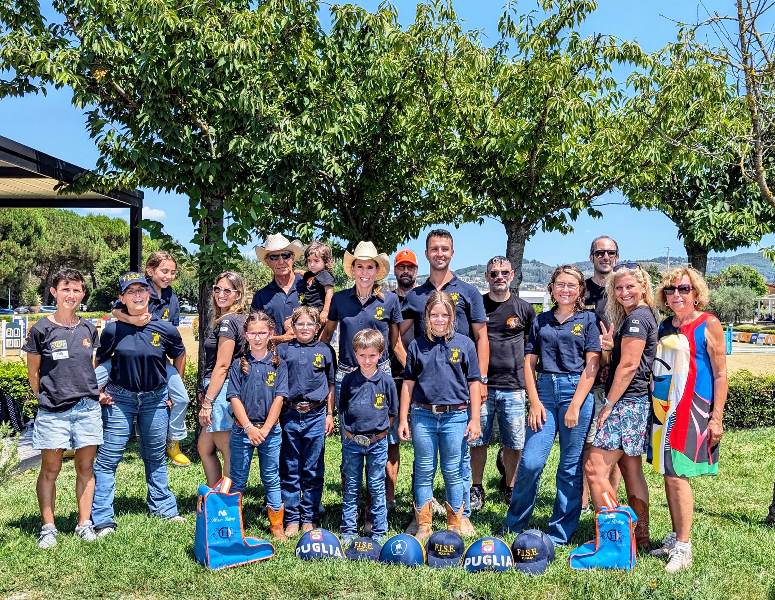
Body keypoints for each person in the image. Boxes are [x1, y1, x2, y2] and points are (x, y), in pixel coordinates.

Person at [503, 265, 601, 546]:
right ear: (552, 288)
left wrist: (575, 406)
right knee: (532, 462)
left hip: (576, 393)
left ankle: (559, 533)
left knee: (569, 467)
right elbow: (528, 363)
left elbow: (592, 365)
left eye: (571, 285)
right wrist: (533, 402)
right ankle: (515, 523)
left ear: (580, 289)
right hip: (544, 392)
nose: (565, 289)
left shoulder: (589, 320)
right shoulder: (541, 320)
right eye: (560, 284)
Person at [400, 229, 489, 534]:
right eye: (434, 248)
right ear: (427, 253)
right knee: (423, 466)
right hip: (425, 401)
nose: (440, 253)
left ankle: (459, 515)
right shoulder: (415, 295)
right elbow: (398, 336)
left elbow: (481, 337)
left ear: (452, 252)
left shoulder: (468, 292)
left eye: (445, 248)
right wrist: (418, 365)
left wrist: (483, 380)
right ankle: (421, 518)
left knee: (457, 465)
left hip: (461, 389)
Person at [92, 272, 186, 536]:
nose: (137, 295)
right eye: (130, 292)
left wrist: (170, 388)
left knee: (155, 457)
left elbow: (179, 355)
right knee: (108, 459)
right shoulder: (113, 329)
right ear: (122, 298)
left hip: (155, 401)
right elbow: (99, 362)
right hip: (120, 400)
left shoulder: (165, 328)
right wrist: (98, 391)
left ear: (149, 295)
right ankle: (102, 519)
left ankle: (165, 510)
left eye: (141, 291)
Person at [647, 267, 727, 573]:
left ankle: (684, 546)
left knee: (679, 474)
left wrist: (716, 417)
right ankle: (675, 536)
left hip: (694, 410)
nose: (676, 295)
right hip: (664, 409)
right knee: (669, 473)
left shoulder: (709, 324)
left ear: (696, 293)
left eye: (683, 289)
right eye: (670, 290)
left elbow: (720, 374)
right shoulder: (665, 326)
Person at [24, 268, 103, 548]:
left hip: (87, 409)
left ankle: (84, 523)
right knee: (50, 469)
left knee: (86, 467)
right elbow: (34, 374)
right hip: (53, 411)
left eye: (77, 290)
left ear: (83, 294)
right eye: (66, 289)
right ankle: (48, 527)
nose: (71, 295)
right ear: (54, 292)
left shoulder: (88, 327)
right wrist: (48, 398)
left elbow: (88, 366)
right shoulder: (40, 329)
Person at [583, 262, 657, 549]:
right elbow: (625, 358)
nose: (624, 292)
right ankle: (640, 536)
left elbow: (628, 366)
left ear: (643, 287)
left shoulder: (637, 318)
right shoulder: (643, 315)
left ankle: (616, 538)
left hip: (625, 403)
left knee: (594, 468)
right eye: (619, 287)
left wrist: (609, 404)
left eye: (630, 286)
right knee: (631, 469)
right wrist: (610, 349)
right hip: (637, 402)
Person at [101, 251, 191, 467]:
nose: (168, 276)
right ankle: (80, 442)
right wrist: (133, 319)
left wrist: (173, 380)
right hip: (125, 355)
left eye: (172, 272)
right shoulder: (139, 290)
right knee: (90, 386)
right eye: (164, 271)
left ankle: (173, 442)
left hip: (157, 360)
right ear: (150, 271)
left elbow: (174, 338)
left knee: (182, 398)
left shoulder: (172, 297)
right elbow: (115, 311)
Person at [470, 256, 534, 510]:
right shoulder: (478, 306)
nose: (499, 277)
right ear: (487, 276)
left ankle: (510, 486)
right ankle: (476, 487)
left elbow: (531, 349)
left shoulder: (524, 309)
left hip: (514, 386)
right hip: (482, 385)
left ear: (513, 274)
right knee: (477, 440)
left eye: (504, 272)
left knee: (514, 442)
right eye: (494, 273)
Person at [226, 311, 288, 540]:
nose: (258, 337)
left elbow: (280, 399)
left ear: (271, 334)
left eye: (263, 333)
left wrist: (265, 429)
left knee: (271, 476)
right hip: (242, 431)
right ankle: (234, 523)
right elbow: (234, 398)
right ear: (246, 335)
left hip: (270, 432)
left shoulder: (279, 364)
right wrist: (249, 428)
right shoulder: (237, 365)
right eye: (253, 333)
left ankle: (276, 526)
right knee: (238, 478)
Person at [277, 306, 336, 536]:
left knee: (313, 467)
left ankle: (309, 516)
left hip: (315, 414)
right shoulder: (283, 351)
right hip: (290, 414)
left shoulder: (325, 350)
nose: (304, 328)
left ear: (317, 326)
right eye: (299, 324)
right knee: (290, 465)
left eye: (309, 324)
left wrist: (330, 414)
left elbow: (331, 384)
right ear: (292, 326)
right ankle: (292, 517)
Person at [320, 241, 405, 399]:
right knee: (348, 423)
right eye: (359, 266)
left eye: (369, 267)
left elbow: (396, 343)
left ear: (377, 270)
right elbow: (326, 336)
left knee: (384, 422)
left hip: (380, 371)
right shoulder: (339, 299)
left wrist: (416, 375)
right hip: (347, 373)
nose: (364, 272)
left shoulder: (390, 300)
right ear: (352, 269)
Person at [339, 329, 398, 545]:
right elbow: (342, 408)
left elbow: (392, 412)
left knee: (376, 485)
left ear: (381, 354)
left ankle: (379, 531)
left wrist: (381, 434)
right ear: (355, 354)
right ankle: (348, 531)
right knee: (351, 485)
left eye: (372, 355)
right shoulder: (348, 381)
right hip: (352, 442)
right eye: (362, 355)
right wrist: (348, 434)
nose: (367, 360)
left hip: (377, 443)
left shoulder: (386, 382)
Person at [582, 236, 622, 508]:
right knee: (586, 445)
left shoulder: (623, 289)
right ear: (591, 256)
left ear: (616, 256)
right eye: (600, 252)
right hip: (586, 379)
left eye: (610, 252)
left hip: (617, 380)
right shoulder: (580, 290)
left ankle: (611, 501)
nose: (605, 257)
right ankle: (584, 502)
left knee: (614, 447)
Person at [198, 271, 249, 486]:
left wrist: (208, 402)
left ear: (238, 295)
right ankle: (213, 493)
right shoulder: (237, 319)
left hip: (221, 389)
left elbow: (222, 366)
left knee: (226, 450)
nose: (220, 294)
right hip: (221, 388)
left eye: (227, 290)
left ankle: (226, 502)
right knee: (204, 447)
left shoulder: (228, 322)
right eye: (217, 289)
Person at [386, 248, 419, 511]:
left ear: (416, 271)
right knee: (390, 441)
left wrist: (419, 372)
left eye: (410, 267)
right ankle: (389, 497)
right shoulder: (385, 299)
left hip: (419, 379)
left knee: (423, 442)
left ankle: (420, 498)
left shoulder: (423, 298)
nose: (405, 271)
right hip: (390, 376)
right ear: (394, 270)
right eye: (401, 267)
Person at [251, 233, 305, 343]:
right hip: (275, 357)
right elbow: (255, 334)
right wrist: (282, 339)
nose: (281, 261)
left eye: (285, 255)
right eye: (274, 257)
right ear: (267, 262)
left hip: (307, 356)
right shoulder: (260, 296)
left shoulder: (310, 286)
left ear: (293, 258)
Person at [297, 240, 335, 323]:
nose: (312, 264)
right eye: (309, 260)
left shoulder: (325, 274)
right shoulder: (309, 275)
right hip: (307, 310)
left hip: (318, 312)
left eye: (316, 261)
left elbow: (329, 292)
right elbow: (305, 274)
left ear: (325, 262)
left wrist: (325, 311)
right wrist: (298, 271)